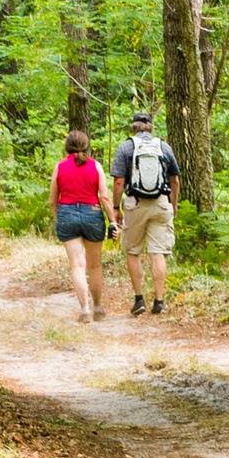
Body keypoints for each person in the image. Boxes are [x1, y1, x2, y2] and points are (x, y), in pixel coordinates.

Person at [110, 111, 180, 316]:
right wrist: (173, 204)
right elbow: (174, 179)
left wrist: (116, 207)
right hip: (161, 203)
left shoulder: (126, 147)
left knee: (133, 251)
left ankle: (139, 299)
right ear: (150, 126)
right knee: (158, 252)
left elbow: (119, 181)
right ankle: (159, 301)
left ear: (133, 126)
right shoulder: (163, 146)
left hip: (135, 203)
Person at [49, 130, 115, 323]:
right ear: (87, 146)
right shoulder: (96, 166)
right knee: (94, 265)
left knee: (77, 265)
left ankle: (85, 309)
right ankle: (99, 307)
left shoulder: (59, 167)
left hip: (67, 213)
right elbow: (104, 196)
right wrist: (112, 220)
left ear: (67, 147)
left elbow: (53, 200)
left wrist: (58, 216)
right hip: (92, 214)